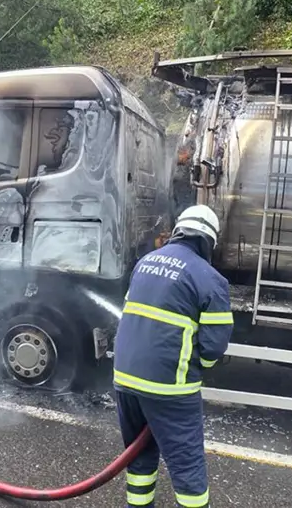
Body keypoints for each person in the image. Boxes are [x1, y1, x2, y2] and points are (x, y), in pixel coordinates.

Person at [113, 205, 233, 507]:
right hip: (169, 389)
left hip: (125, 380)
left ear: (179, 230)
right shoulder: (210, 279)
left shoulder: (145, 263)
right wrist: (197, 368)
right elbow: (214, 346)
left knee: (139, 463)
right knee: (187, 470)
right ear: (209, 241)